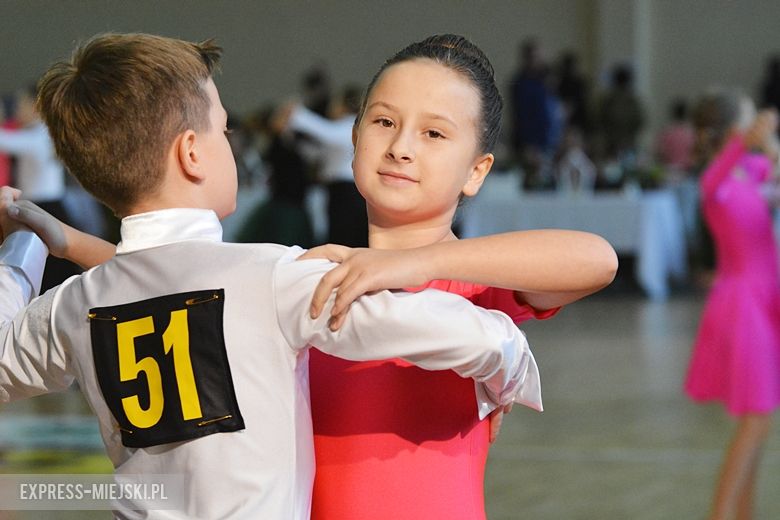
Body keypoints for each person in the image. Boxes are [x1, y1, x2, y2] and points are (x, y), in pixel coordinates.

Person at [0, 32, 543, 519]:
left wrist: (22, 249)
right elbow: (470, 334)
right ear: (193, 154)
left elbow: (142, 281)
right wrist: (506, 370)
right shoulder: (274, 277)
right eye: (223, 129)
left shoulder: (70, 308)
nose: (230, 141)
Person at [296, 34, 617, 519]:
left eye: (434, 134)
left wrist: (416, 263)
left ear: (476, 172)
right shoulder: (310, 279)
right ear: (356, 138)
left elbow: (597, 259)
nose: (401, 147)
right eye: (384, 122)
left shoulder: (473, 289)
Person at [684, 90, 780, 520]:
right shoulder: (718, 180)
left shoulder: (749, 169)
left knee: (760, 424)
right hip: (742, 306)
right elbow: (711, 180)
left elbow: (774, 166)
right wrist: (747, 140)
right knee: (756, 420)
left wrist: (768, 145)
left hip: (766, 299)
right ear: (733, 129)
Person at [0, 84, 79, 291]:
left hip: (45, 209)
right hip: (47, 207)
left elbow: (4, 141)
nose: (15, 110)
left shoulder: (39, 136)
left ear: (35, 107)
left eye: (21, 104)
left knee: (50, 276)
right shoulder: (43, 134)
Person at [284, 85, 369, 247]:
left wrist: (297, 113)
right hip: (338, 191)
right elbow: (318, 153)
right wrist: (290, 138)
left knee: (345, 239)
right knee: (338, 236)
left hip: (349, 192)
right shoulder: (341, 129)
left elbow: (326, 133)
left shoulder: (350, 125)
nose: (332, 106)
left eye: (336, 102)